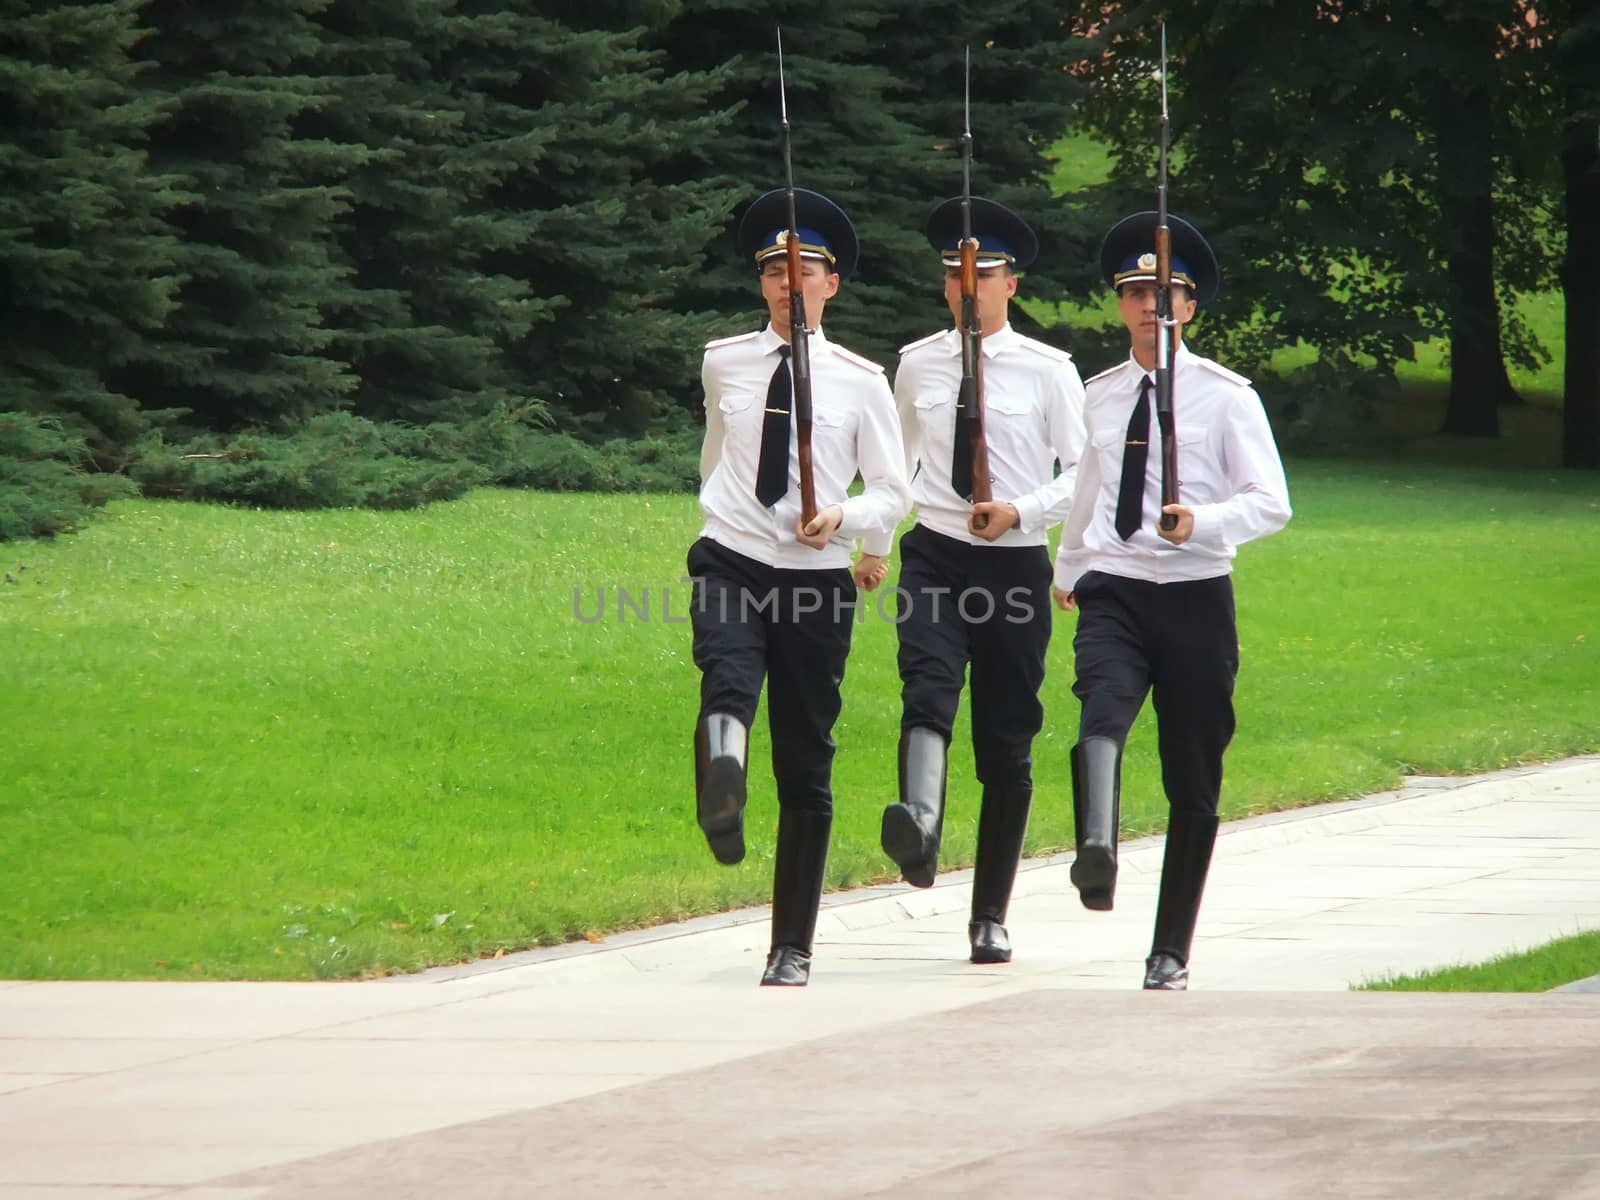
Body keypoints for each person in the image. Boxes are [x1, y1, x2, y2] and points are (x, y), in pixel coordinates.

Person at [1052, 211, 1291, 990]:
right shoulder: (1099, 395)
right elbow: (1090, 487)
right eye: (1136, 293)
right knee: (1101, 714)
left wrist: (1204, 521)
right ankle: (1097, 849)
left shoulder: (1227, 398)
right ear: (1120, 306)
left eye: (1167, 294)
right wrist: (1069, 568)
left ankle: (1170, 948)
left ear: (1189, 306)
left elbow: (1271, 502)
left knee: (1194, 778)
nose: (1152, 306)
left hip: (1194, 596)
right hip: (1114, 588)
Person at [689, 186, 911, 987]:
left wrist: (845, 519)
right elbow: (718, 454)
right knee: (726, 673)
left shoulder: (861, 381)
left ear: (830, 284)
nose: (788, 283)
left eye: (804, 270)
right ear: (762, 284)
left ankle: (793, 944)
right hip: (733, 555)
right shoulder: (724, 360)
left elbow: (895, 491)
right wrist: (732, 518)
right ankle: (722, 786)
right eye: (775, 270)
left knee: (807, 757)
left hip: (815, 579)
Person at [864, 196, 1085, 964]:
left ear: (1009, 286)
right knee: (925, 686)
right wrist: (870, 542)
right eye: (954, 274)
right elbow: (888, 467)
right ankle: (919, 826)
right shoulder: (917, 362)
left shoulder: (1049, 372)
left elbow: (1088, 471)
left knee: (1006, 739)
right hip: (934, 551)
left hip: (1016, 564)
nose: (967, 287)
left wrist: (1022, 508)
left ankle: (990, 913)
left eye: (981, 274)